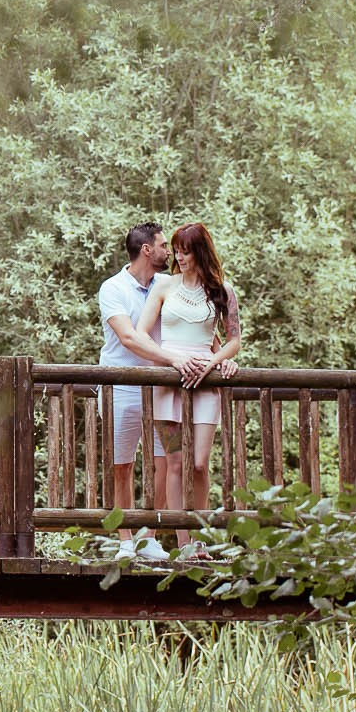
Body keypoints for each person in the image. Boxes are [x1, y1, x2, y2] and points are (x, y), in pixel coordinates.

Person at [138, 222, 241, 546]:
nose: (179, 257)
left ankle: (201, 537)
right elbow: (141, 332)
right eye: (177, 251)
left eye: (186, 251)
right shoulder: (164, 286)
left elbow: (234, 340)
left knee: (198, 463)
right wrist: (171, 359)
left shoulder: (222, 290)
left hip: (205, 381)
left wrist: (215, 361)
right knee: (175, 462)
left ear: (200, 252)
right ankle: (185, 544)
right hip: (169, 378)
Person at [97, 222, 190, 563]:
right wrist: (174, 359)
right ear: (147, 250)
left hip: (163, 391)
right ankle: (125, 541)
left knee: (165, 462)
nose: (170, 252)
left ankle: (149, 537)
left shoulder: (171, 286)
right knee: (122, 465)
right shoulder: (113, 288)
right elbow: (130, 338)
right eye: (164, 245)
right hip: (120, 389)